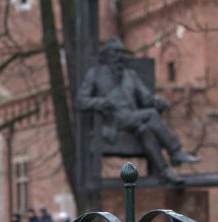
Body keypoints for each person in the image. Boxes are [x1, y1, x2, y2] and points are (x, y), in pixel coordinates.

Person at [76, 37, 201, 184]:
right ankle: (175, 151)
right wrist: (101, 102)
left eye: (121, 52)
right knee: (151, 115)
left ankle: (164, 171)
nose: (119, 56)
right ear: (106, 55)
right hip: (113, 120)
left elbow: (146, 99)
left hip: (132, 118)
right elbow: (80, 101)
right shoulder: (95, 74)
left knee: (145, 131)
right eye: (115, 52)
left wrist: (158, 101)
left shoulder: (131, 75)